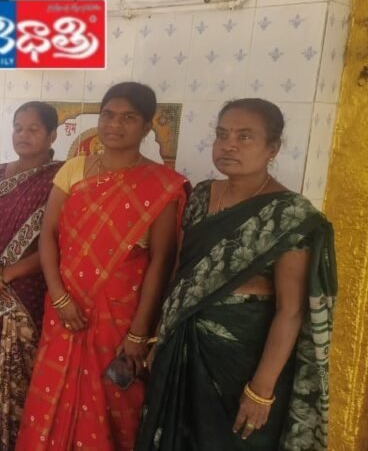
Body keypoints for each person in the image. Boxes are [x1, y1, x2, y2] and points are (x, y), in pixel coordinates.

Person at [136, 99, 335, 450]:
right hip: (181, 347)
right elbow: (183, 275)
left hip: (240, 362)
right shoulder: (200, 195)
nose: (229, 145)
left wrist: (261, 389)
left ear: (272, 148)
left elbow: (290, 311)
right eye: (222, 134)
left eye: (245, 137)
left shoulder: (290, 215)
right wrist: (159, 336)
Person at [15, 82, 188, 451]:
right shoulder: (73, 171)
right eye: (108, 115)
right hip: (64, 310)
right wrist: (59, 298)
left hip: (120, 319)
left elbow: (162, 261)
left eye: (128, 117)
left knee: (112, 406)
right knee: (51, 398)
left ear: (146, 127)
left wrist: (140, 332)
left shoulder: (162, 186)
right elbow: (48, 237)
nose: (115, 124)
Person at [0, 101, 63, 451]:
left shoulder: (62, 179)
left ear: (52, 134)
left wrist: (6, 274)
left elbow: (58, 243)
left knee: (19, 377)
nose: (23, 135)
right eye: (19, 127)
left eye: (33, 129)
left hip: (25, 292)